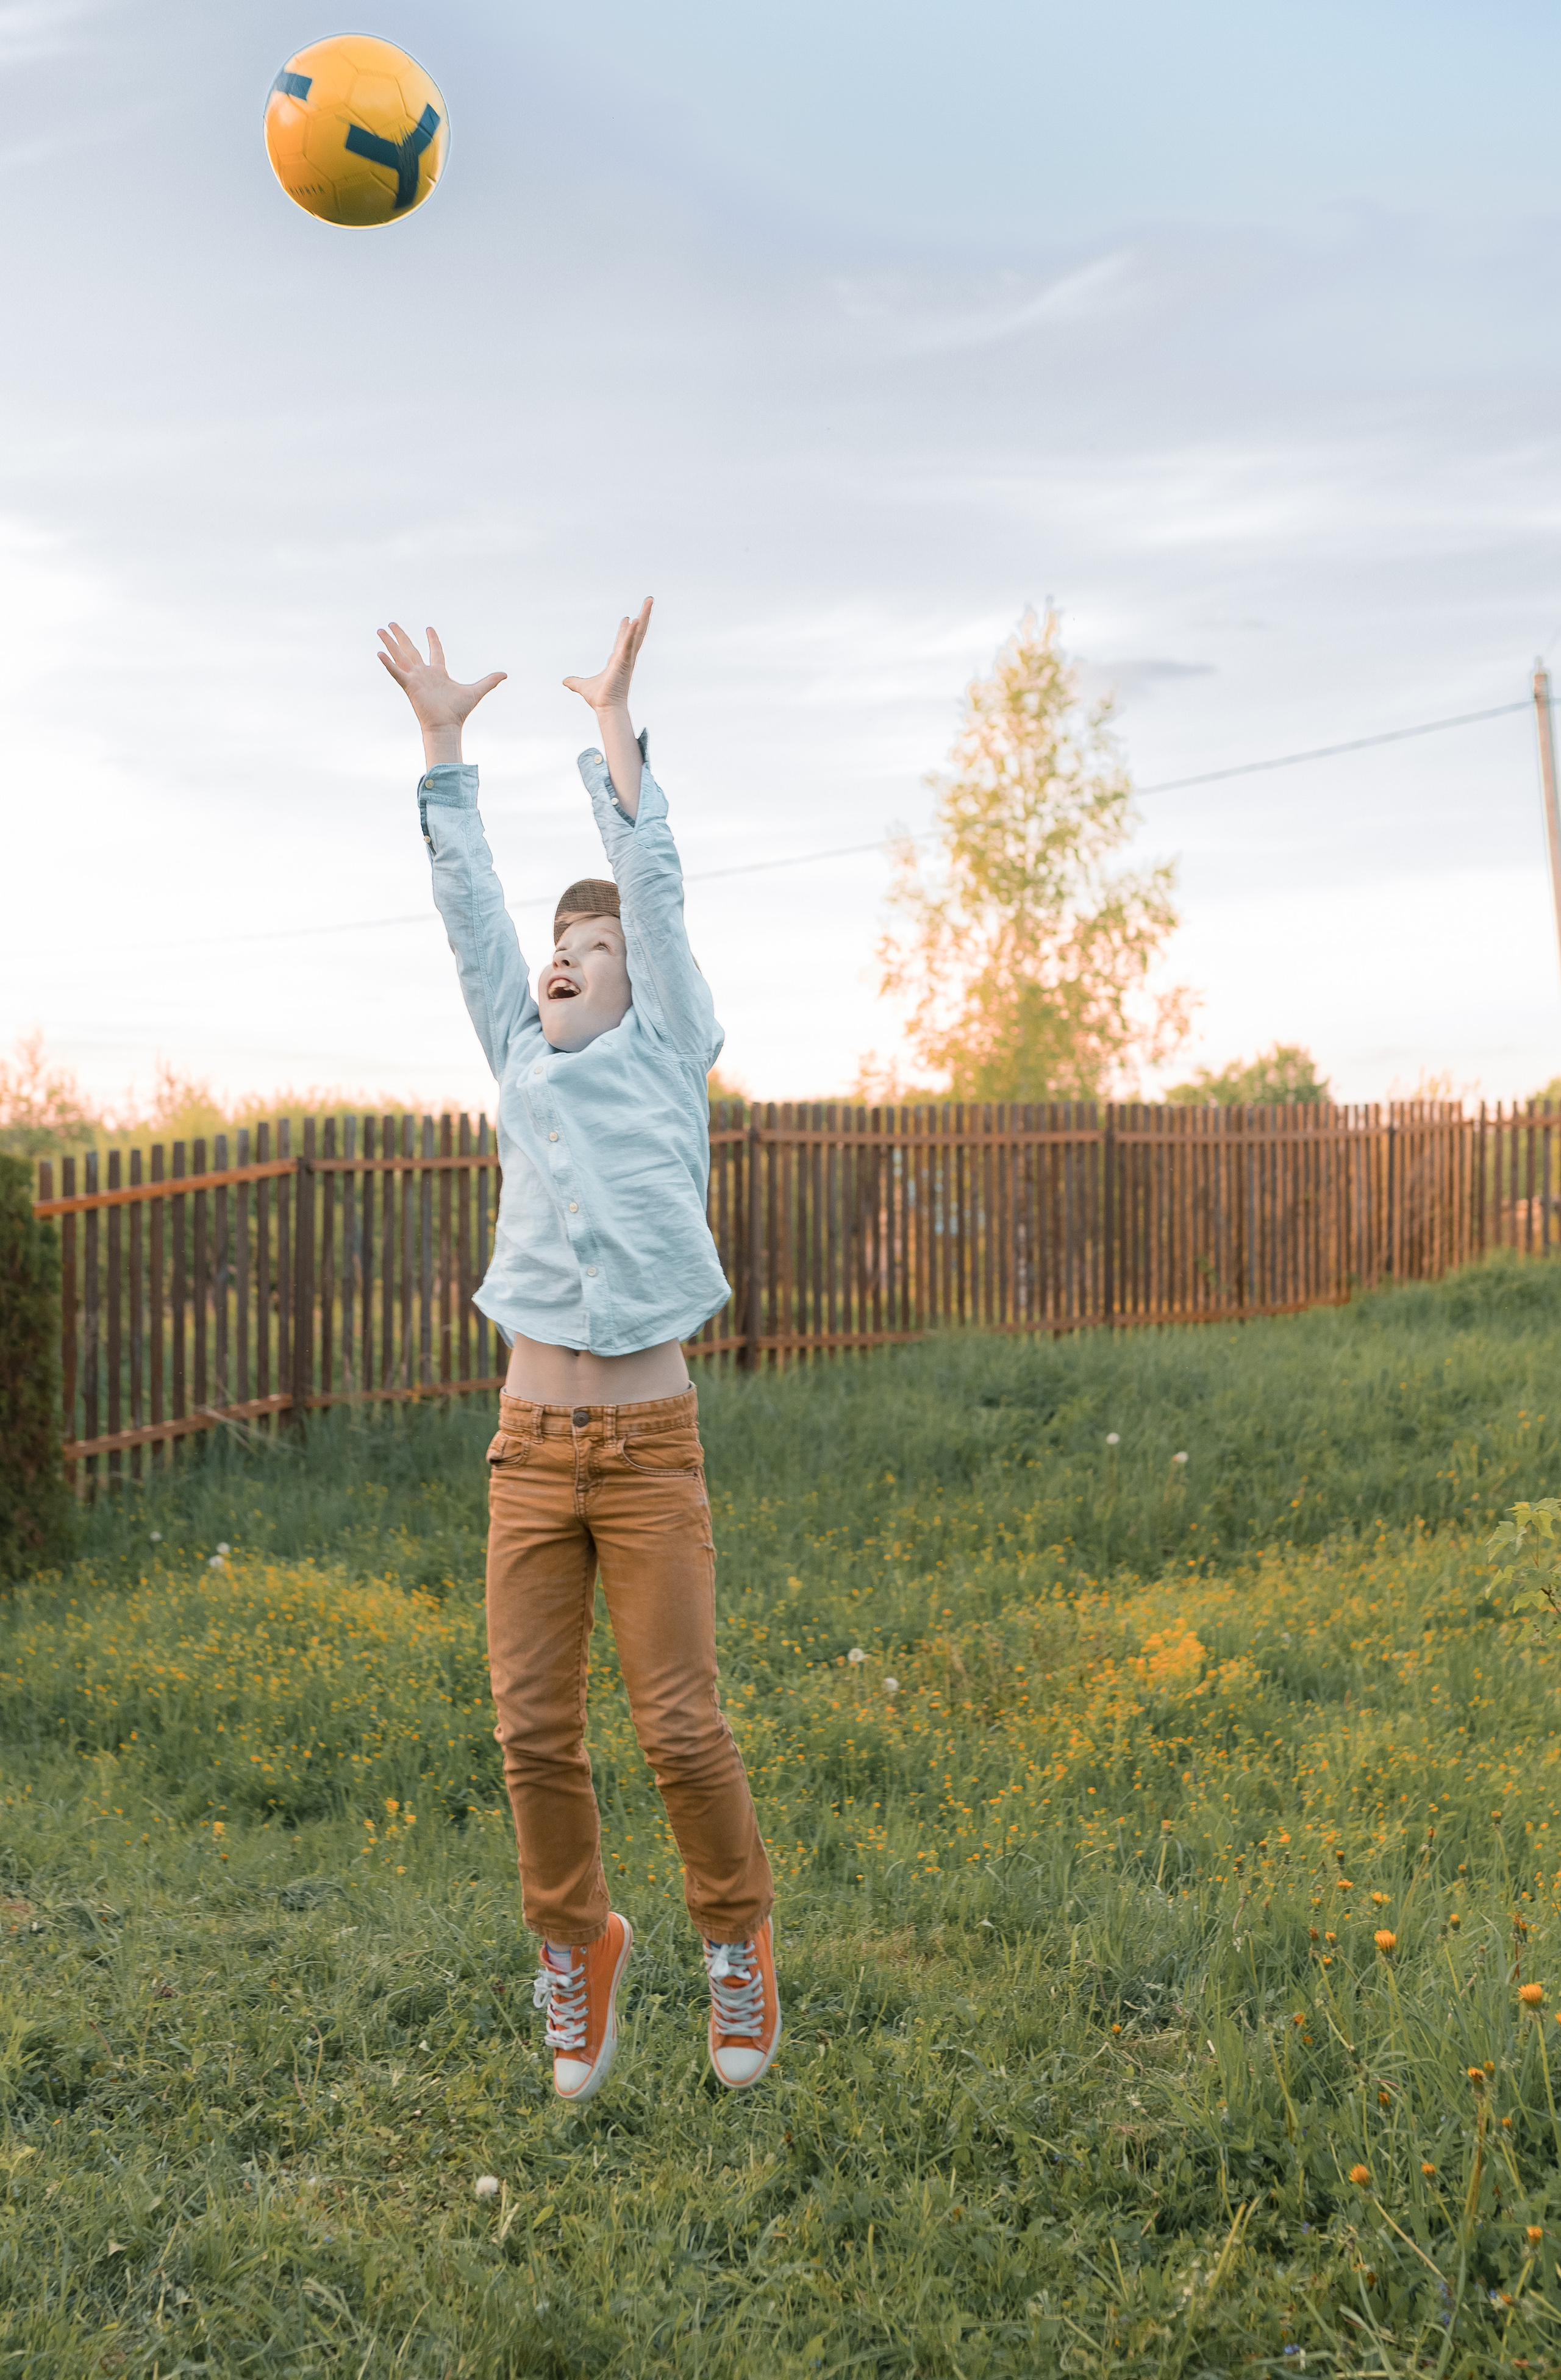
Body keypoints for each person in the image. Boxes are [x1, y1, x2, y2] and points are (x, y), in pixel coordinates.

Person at [376, 600, 778, 2104]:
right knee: (531, 1728)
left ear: (638, 981)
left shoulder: (670, 1049)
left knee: (679, 1723)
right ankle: (577, 1947)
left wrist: (612, 734)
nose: (567, 958)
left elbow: (656, 891)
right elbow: (471, 907)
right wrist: (441, 740)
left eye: (594, 946)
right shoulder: (514, 1051)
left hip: (651, 1445)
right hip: (528, 1450)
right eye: (563, 945)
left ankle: (733, 1943)